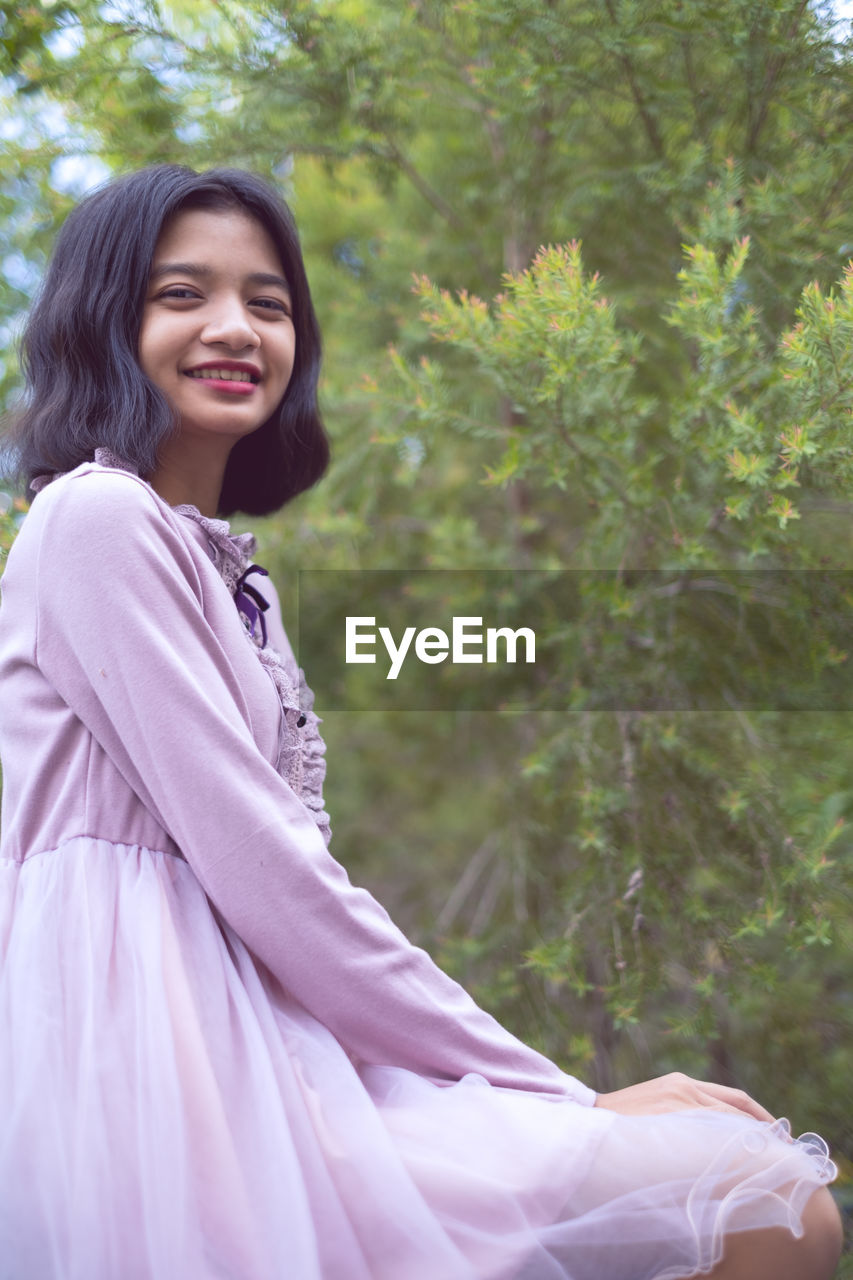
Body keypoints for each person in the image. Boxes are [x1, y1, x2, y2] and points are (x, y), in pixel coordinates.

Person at [0, 164, 841, 1280]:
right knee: (762, 1201)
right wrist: (559, 1089)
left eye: (268, 301)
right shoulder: (94, 516)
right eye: (180, 294)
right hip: (165, 1078)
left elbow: (282, 879)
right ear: (104, 318)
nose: (233, 328)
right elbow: (268, 869)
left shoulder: (232, 575)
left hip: (280, 1040)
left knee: (770, 1206)